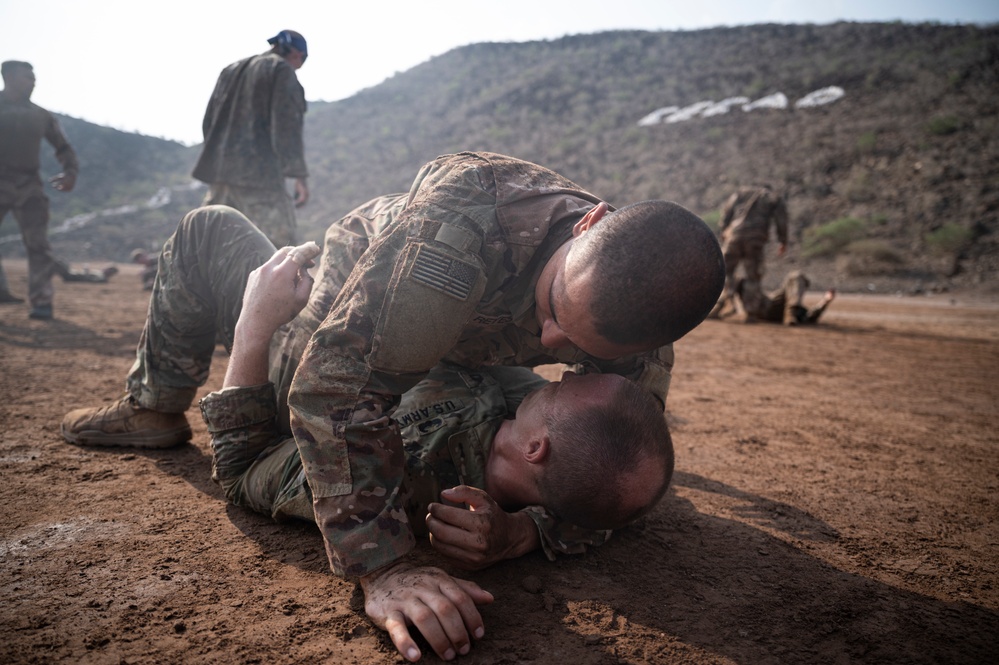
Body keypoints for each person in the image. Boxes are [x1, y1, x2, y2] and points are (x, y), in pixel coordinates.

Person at [62, 151, 725, 660]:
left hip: (436, 369)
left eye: (583, 348)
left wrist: (526, 531)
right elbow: (335, 388)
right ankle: (155, 404)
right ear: (589, 223)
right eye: (553, 310)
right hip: (340, 308)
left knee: (209, 229)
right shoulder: (455, 233)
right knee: (212, 231)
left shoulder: (636, 324)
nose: (552, 344)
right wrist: (383, 564)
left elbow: (620, 474)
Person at [192, 30, 310, 247]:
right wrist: (298, 176)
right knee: (281, 251)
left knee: (208, 247)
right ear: (295, 53)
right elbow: (286, 127)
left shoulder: (230, 70)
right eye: (301, 60)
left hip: (221, 180)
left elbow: (209, 122)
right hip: (260, 180)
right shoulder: (281, 70)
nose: (298, 65)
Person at [0, 60, 82, 318]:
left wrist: (70, 172)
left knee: (38, 245)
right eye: (27, 77)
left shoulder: (40, 115)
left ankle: (42, 302)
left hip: (29, 185)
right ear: (8, 77)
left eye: (34, 78)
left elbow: (64, 146)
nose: (33, 82)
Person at [709, 184, 789, 318]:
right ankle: (750, 312)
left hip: (734, 236)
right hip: (755, 239)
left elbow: (727, 211)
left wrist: (724, 228)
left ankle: (719, 305)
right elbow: (781, 220)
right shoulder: (772, 196)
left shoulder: (742, 193)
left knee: (724, 271)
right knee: (752, 276)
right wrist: (783, 240)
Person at [731, 270, 835, 325]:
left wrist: (825, 301)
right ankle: (720, 304)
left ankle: (719, 305)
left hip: (765, 308)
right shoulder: (795, 306)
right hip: (768, 305)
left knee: (739, 280)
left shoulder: (799, 312)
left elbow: (810, 316)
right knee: (796, 276)